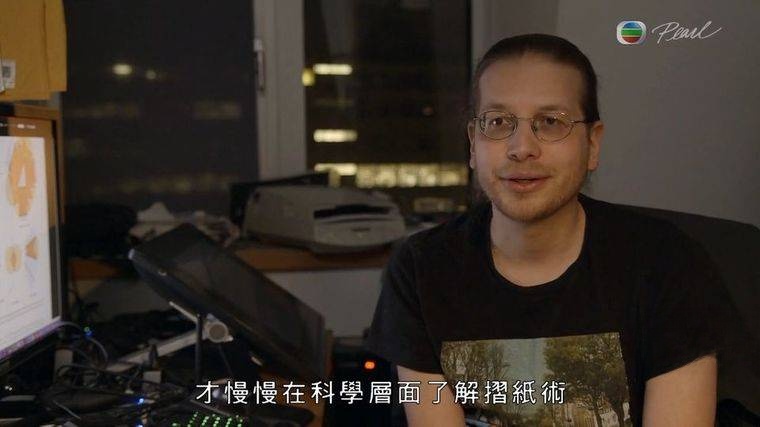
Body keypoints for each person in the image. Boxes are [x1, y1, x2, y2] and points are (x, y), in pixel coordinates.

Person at [366, 34, 732, 426]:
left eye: (551, 122)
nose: (521, 147)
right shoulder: (421, 269)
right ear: (473, 143)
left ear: (592, 144)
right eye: (498, 122)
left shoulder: (667, 263)